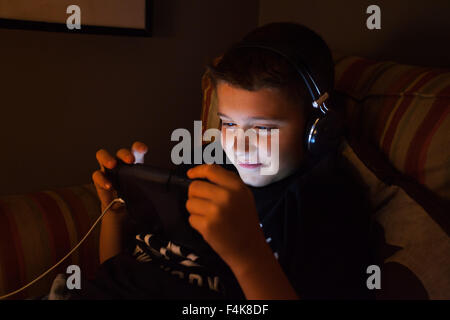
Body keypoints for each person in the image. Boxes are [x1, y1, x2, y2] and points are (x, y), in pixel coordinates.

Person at [55, 22, 374, 300]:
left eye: (262, 127)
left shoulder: (329, 204)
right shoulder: (202, 172)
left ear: (317, 129)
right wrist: (114, 214)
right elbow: (116, 275)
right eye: (228, 123)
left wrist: (248, 254)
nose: (239, 145)